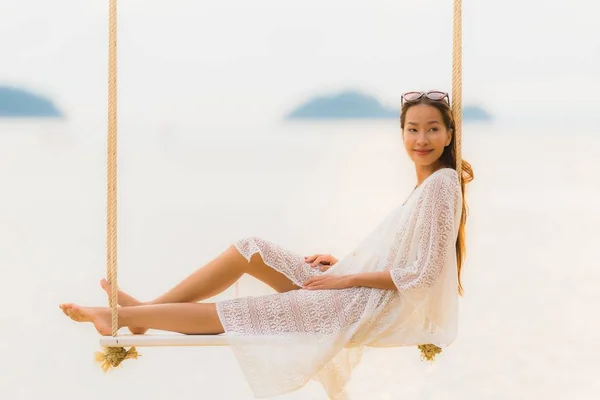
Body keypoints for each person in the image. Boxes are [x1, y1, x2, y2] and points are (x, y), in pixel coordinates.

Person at [60, 90, 474, 399]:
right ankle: (141, 317)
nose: (422, 138)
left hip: (365, 304)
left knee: (239, 314)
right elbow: (402, 253)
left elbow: (425, 274)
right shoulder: (428, 184)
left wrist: (343, 282)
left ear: (449, 134)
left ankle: (121, 317)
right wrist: (343, 264)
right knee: (251, 248)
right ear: (402, 132)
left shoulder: (442, 183)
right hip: (355, 287)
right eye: (413, 129)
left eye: (432, 129)